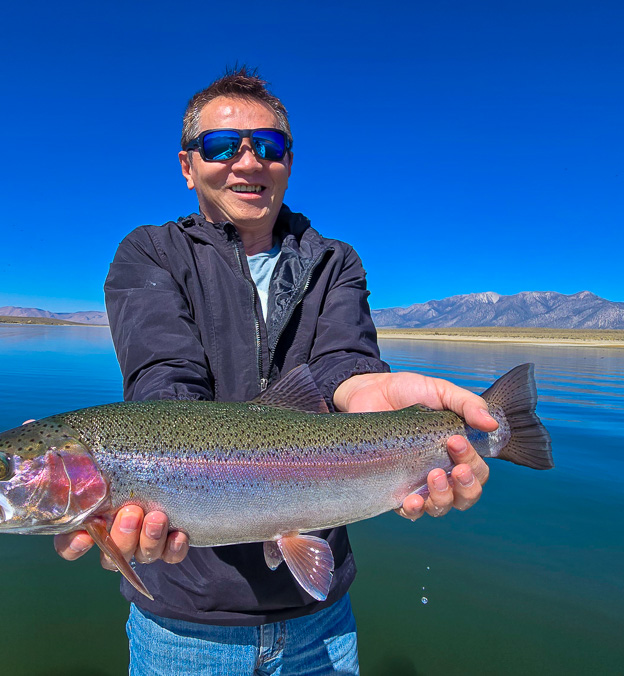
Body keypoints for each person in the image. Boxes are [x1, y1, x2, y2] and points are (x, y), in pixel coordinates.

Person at [53, 67, 497, 675]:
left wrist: (382, 392)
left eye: (269, 146)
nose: (247, 162)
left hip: (323, 621)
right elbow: (164, 381)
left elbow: (347, 367)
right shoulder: (150, 254)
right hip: (186, 626)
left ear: (288, 160)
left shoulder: (335, 261)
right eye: (220, 146)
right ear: (188, 165)